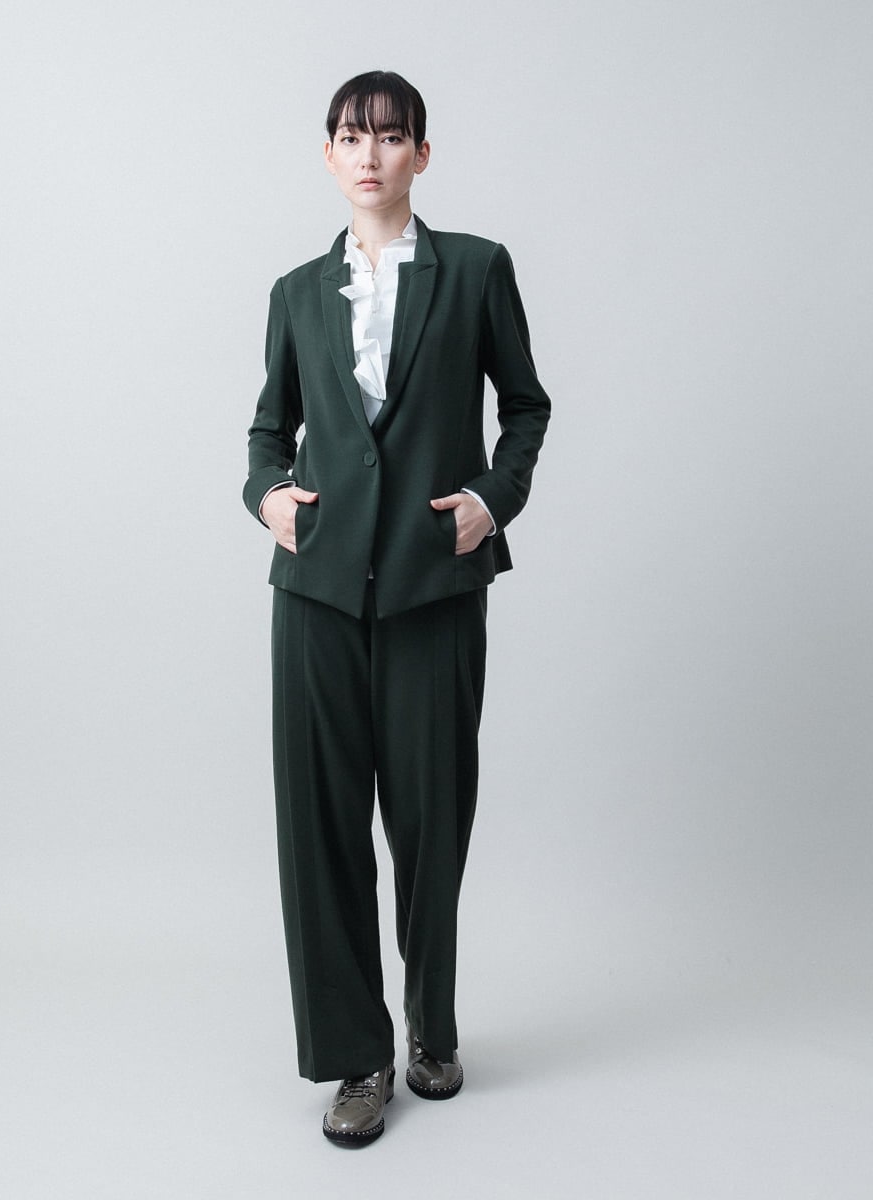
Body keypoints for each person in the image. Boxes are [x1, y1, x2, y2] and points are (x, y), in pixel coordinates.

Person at [243, 70, 551, 1147]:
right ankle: (356, 1058)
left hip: (431, 585)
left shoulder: (475, 270)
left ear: (422, 152)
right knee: (319, 830)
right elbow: (267, 431)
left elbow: (525, 406)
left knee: (430, 820)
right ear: (327, 156)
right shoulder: (294, 292)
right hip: (317, 593)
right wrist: (266, 495)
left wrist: (489, 501)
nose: (367, 154)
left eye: (388, 136)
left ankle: (432, 1027)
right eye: (349, 136)